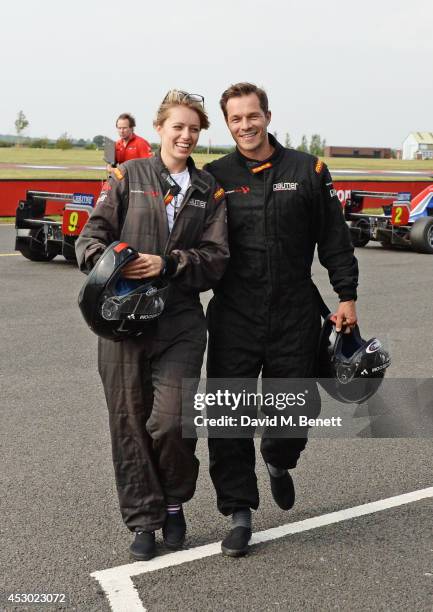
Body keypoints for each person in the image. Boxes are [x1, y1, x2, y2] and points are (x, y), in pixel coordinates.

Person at [204, 82, 359, 557]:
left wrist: (347, 295)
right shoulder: (214, 176)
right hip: (234, 312)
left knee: (293, 411)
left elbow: (334, 237)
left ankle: (277, 456)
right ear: (227, 124)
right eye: (235, 119)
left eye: (252, 116)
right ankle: (238, 511)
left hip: (296, 309)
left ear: (268, 116)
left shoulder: (309, 170)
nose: (245, 126)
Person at [75, 90, 229, 561]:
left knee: (170, 420)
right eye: (177, 126)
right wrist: (115, 264)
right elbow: (88, 240)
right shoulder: (126, 175)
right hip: (122, 324)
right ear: (160, 128)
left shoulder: (209, 190)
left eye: (194, 129)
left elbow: (217, 259)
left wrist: (168, 263)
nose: (185, 135)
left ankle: (175, 500)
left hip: (180, 321)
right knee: (129, 424)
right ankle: (143, 519)